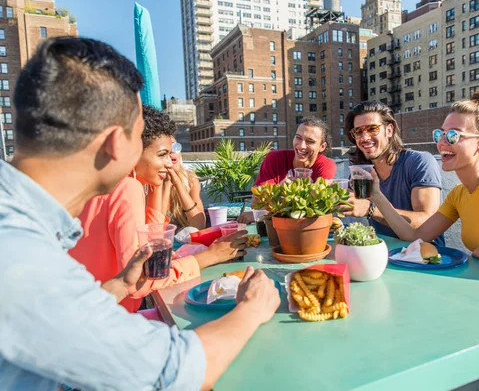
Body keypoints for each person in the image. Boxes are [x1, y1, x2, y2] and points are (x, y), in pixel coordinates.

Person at [0, 36, 279, 390]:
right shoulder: (20, 258)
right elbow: (175, 373)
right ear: (117, 143)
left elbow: (55, 316)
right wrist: (252, 309)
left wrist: (117, 286)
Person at [69, 105, 239, 313]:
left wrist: (160, 184)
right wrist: (211, 256)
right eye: (162, 155)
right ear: (132, 153)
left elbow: (148, 239)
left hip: (86, 311)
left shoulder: (102, 182)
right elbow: (141, 279)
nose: (169, 162)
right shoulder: (127, 188)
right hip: (110, 318)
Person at [369, 89, 479, 280]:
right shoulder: (459, 194)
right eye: (440, 134)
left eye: (454, 136)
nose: (442, 142)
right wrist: (377, 197)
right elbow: (415, 236)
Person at [339, 101, 445, 247]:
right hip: (384, 255)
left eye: (372, 129)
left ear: (389, 130)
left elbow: (427, 221)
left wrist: (371, 209)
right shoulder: (361, 173)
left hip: (425, 259)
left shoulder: (419, 162)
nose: (364, 137)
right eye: (358, 131)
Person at [238, 116, 337, 223]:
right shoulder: (274, 158)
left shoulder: (326, 165)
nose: (301, 146)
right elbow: (256, 201)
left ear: (322, 146)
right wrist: (282, 186)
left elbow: (318, 209)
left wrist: (263, 213)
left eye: (310, 141)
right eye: (298, 138)